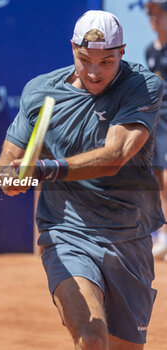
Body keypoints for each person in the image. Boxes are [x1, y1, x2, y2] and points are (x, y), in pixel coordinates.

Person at [0, 10, 165, 349]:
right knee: (91, 337)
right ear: (72, 48)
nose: (93, 71)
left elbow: (115, 156)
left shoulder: (143, 85)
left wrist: (42, 170)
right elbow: (5, 162)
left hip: (129, 237)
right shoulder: (39, 92)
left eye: (106, 61)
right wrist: (9, 177)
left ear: (123, 51)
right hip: (66, 231)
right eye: (84, 59)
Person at [145, 0, 167, 260]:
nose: (153, 18)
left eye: (158, 13)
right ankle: (161, 236)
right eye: (149, 13)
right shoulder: (150, 49)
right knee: (158, 178)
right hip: (156, 120)